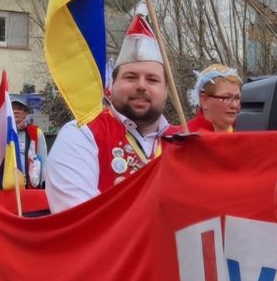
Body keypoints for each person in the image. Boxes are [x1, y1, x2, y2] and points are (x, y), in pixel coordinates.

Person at [46, 14, 180, 212]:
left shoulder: (185, 142)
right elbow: (79, 219)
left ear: (166, 91)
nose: (141, 86)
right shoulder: (81, 134)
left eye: (152, 79)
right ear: (111, 85)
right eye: (131, 77)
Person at [187, 64, 242, 133]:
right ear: (204, 100)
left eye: (237, 98)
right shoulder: (185, 137)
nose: (234, 105)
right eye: (226, 97)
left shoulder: (249, 132)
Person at [11, 96, 47, 187]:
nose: (15, 111)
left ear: (26, 112)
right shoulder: (3, 131)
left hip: (30, 183)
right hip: (9, 183)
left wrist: (43, 184)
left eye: (20, 109)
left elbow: (43, 159)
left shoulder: (36, 132)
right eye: (13, 108)